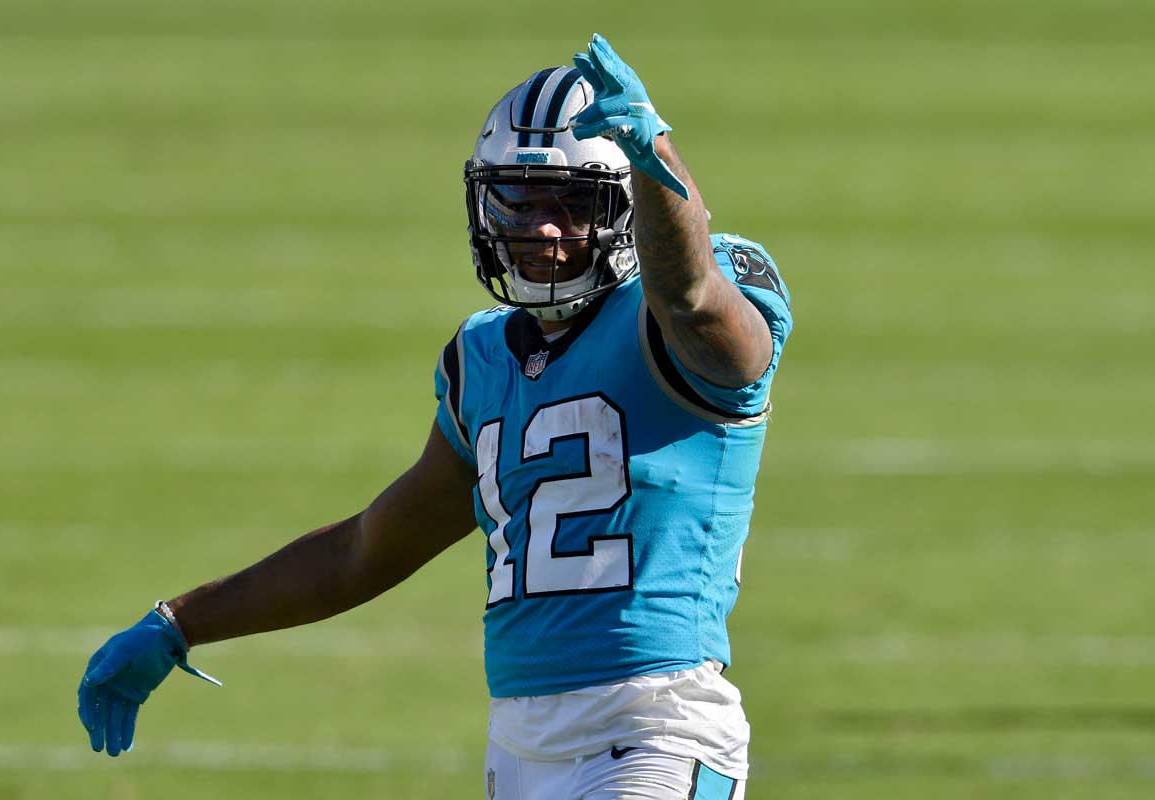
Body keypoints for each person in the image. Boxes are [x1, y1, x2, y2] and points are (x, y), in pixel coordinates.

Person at [78, 34, 792, 800]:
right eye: (519, 200)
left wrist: (658, 162)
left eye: (572, 204)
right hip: (517, 747)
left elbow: (693, 298)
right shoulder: (481, 358)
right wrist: (181, 622)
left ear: (622, 207)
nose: (542, 228)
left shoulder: (675, 315)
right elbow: (364, 550)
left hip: (656, 728)